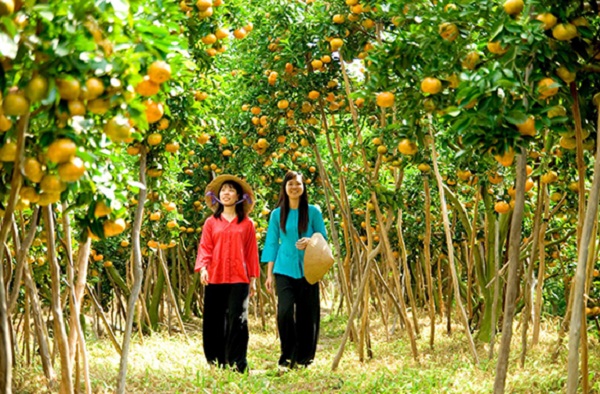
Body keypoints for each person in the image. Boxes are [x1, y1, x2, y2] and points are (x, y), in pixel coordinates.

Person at [261, 170, 327, 369]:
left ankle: (304, 358)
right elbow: (272, 243)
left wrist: (311, 240)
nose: (294, 187)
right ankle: (287, 356)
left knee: (308, 314)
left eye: (298, 184)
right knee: (285, 311)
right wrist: (269, 273)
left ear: (303, 187)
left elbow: (322, 236)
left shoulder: (313, 211)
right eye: (290, 184)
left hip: (309, 267)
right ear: (284, 188)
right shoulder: (276, 214)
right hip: (284, 267)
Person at [195, 174, 259, 373]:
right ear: (217, 196)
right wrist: (203, 268)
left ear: (239, 196)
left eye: (231, 189)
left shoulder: (247, 224)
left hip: (239, 278)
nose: (226, 193)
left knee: (238, 320)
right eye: (223, 190)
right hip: (215, 276)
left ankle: (238, 363)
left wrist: (253, 280)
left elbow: (251, 252)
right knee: (214, 319)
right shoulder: (211, 223)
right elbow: (205, 247)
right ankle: (217, 361)